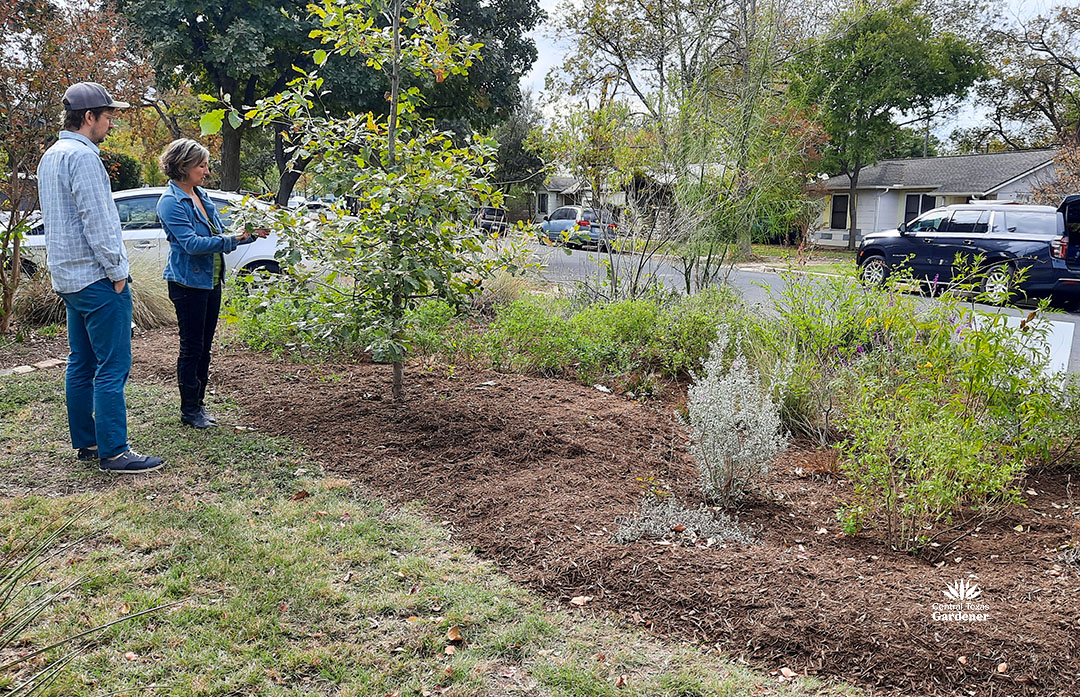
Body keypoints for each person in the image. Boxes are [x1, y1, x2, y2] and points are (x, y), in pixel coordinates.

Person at [37, 82, 165, 474]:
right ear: (88, 117)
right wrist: (118, 274)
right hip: (97, 279)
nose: (111, 124)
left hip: (68, 279)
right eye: (108, 116)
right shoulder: (84, 158)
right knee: (112, 366)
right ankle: (114, 452)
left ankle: (89, 442)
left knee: (81, 362)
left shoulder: (50, 157)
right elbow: (99, 223)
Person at [156, 139, 264, 428]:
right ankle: (189, 410)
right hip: (187, 284)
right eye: (201, 165)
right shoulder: (170, 202)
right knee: (192, 347)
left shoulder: (200, 195)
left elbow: (220, 235)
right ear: (183, 166)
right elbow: (192, 244)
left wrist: (251, 233)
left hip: (210, 281)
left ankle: (199, 406)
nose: (206, 171)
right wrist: (234, 240)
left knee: (204, 347)